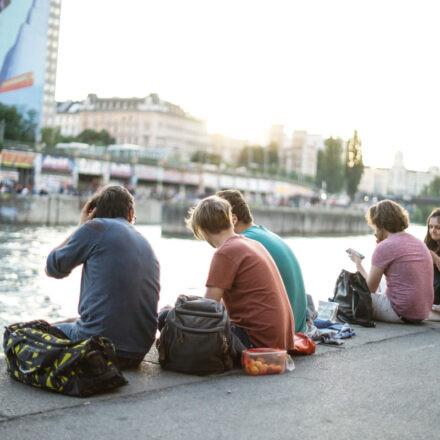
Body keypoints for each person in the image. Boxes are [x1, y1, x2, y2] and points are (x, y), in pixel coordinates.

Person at [45, 185, 160, 368]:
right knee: (71, 322)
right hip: (138, 351)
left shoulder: (95, 228)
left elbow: (53, 268)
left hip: (99, 348)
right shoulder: (145, 242)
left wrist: (81, 226)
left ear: (94, 213)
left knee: (41, 331)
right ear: (130, 215)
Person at [184, 195, 295, 351]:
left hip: (256, 343)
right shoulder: (253, 244)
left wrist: (176, 310)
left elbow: (208, 309)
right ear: (230, 218)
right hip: (280, 341)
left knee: (167, 317)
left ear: (203, 229)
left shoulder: (225, 252)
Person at [216, 189, 307, 333]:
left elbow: (214, 304)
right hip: (298, 329)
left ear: (233, 219)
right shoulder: (266, 236)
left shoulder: (243, 243)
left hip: (279, 334)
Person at [347, 199, 433, 323]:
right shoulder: (418, 242)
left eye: (374, 227)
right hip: (422, 313)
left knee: (351, 293)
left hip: (400, 312)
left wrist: (358, 264)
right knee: (382, 283)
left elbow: (369, 290)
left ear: (381, 224)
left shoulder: (385, 246)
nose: (374, 233)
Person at [424, 208, 440, 310]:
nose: (432, 230)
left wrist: (433, 256)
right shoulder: (430, 245)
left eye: (438, 227)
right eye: (430, 227)